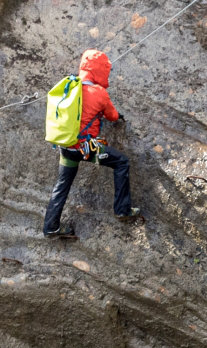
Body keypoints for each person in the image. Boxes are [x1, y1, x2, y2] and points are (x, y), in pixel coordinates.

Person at [43, 49, 142, 239]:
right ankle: (122, 209)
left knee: (62, 186)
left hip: (65, 146)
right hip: (86, 149)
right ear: (99, 70)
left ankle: (51, 227)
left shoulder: (70, 87)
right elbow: (112, 116)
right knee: (121, 162)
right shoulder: (99, 93)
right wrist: (117, 117)